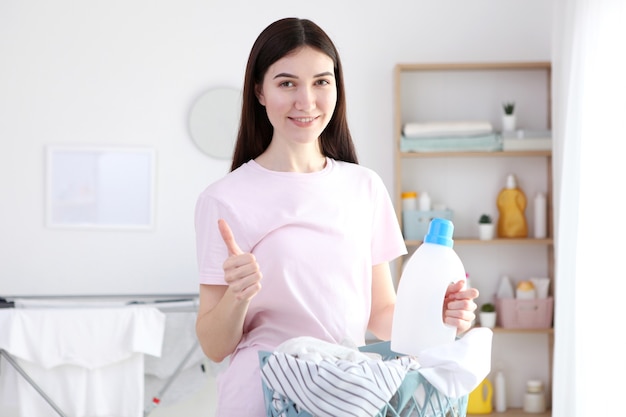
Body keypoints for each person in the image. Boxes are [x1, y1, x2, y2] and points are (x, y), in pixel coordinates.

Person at [194, 17, 479, 416]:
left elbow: (382, 314)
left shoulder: (364, 187)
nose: (306, 101)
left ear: (337, 88)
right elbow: (214, 345)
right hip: (262, 396)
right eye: (287, 82)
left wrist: (440, 320)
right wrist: (237, 297)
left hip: (343, 393)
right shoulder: (225, 199)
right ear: (259, 91)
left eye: (321, 82)